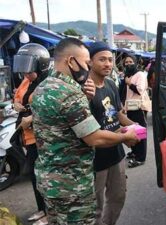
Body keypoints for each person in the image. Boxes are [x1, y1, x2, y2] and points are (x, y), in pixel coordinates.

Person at [30, 37, 139, 225]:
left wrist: (131, 127)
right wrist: (125, 136)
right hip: (72, 181)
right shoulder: (71, 92)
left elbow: (112, 113)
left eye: (110, 60)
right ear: (71, 61)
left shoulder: (43, 87)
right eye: (88, 62)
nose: (88, 67)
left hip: (51, 179)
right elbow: (93, 138)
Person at [87, 42, 136, 225]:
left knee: (118, 197)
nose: (107, 64)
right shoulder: (85, 90)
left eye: (110, 60)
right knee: (95, 206)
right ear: (90, 62)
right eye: (102, 59)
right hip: (95, 159)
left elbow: (117, 114)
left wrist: (135, 127)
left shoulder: (111, 84)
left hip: (117, 154)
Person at [12, 43, 50, 225]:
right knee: (35, 176)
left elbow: (53, 110)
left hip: (42, 138)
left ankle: (50, 213)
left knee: (46, 176)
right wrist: (16, 105)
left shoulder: (49, 84)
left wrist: (33, 118)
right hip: (27, 136)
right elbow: (18, 97)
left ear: (41, 66)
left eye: (29, 71)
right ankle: (42, 209)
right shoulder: (27, 80)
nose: (25, 75)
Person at [124, 59, 151, 168]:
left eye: (131, 61)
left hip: (138, 107)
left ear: (135, 63)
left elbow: (140, 89)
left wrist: (129, 83)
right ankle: (134, 152)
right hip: (130, 107)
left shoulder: (140, 74)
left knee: (140, 132)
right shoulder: (128, 75)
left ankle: (140, 158)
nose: (128, 64)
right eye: (126, 62)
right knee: (132, 130)